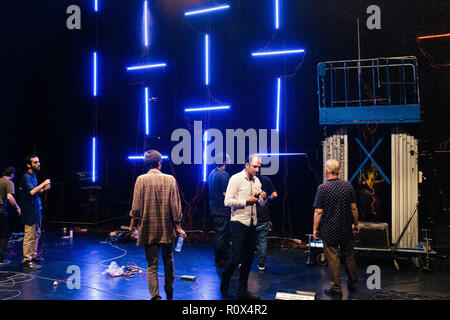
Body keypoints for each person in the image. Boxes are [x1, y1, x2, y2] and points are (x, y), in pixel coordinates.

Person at [129, 150, 186, 300]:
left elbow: (136, 209)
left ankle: (155, 297)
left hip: (148, 228)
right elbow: (176, 207)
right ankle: (169, 291)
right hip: (167, 228)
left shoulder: (140, 180)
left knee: (152, 265)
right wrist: (178, 227)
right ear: (160, 163)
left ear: (146, 164)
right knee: (169, 260)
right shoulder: (170, 179)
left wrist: (132, 227)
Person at [221, 154, 267, 300]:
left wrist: (263, 198)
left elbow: (261, 204)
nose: (257, 169)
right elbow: (227, 202)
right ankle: (225, 282)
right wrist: (246, 201)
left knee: (248, 258)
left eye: (259, 166)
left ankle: (242, 292)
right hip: (238, 222)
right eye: (255, 166)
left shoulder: (257, 180)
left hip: (252, 223)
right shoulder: (235, 179)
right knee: (236, 258)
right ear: (247, 165)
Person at [313, 159, 359, 297]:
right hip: (346, 228)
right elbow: (354, 207)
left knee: (333, 258)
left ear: (326, 171)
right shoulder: (348, 185)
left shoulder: (323, 188)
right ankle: (352, 283)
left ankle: (337, 287)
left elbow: (318, 211)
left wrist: (315, 229)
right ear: (339, 171)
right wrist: (356, 224)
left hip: (329, 229)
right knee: (349, 256)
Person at [19, 155, 51, 270]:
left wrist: (43, 189)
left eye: (38, 162)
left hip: (36, 209)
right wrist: (44, 183)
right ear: (29, 165)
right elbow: (32, 192)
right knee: (29, 235)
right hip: (29, 211)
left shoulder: (33, 176)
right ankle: (27, 260)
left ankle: (33, 255)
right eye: (35, 162)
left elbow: (35, 192)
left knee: (37, 234)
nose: (38, 164)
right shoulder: (26, 177)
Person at [208, 153, 231, 267]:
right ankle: (220, 258)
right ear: (224, 162)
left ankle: (223, 256)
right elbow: (225, 194)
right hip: (222, 209)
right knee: (221, 235)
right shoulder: (224, 175)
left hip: (214, 208)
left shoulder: (212, 173)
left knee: (220, 234)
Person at [255, 173, 277, 271]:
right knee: (262, 241)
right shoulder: (266, 179)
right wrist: (266, 199)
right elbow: (275, 195)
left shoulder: (247, 181)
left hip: (251, 215)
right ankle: (261, 264)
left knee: (246, 240)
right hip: (264, 215)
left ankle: (242, 262)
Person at [0, 167, 21, 265]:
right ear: (12, 174)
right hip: (0, 211)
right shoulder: (9, 183)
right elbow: (9, 197)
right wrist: (17, 207)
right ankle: (0, 257)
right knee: (5, 234)